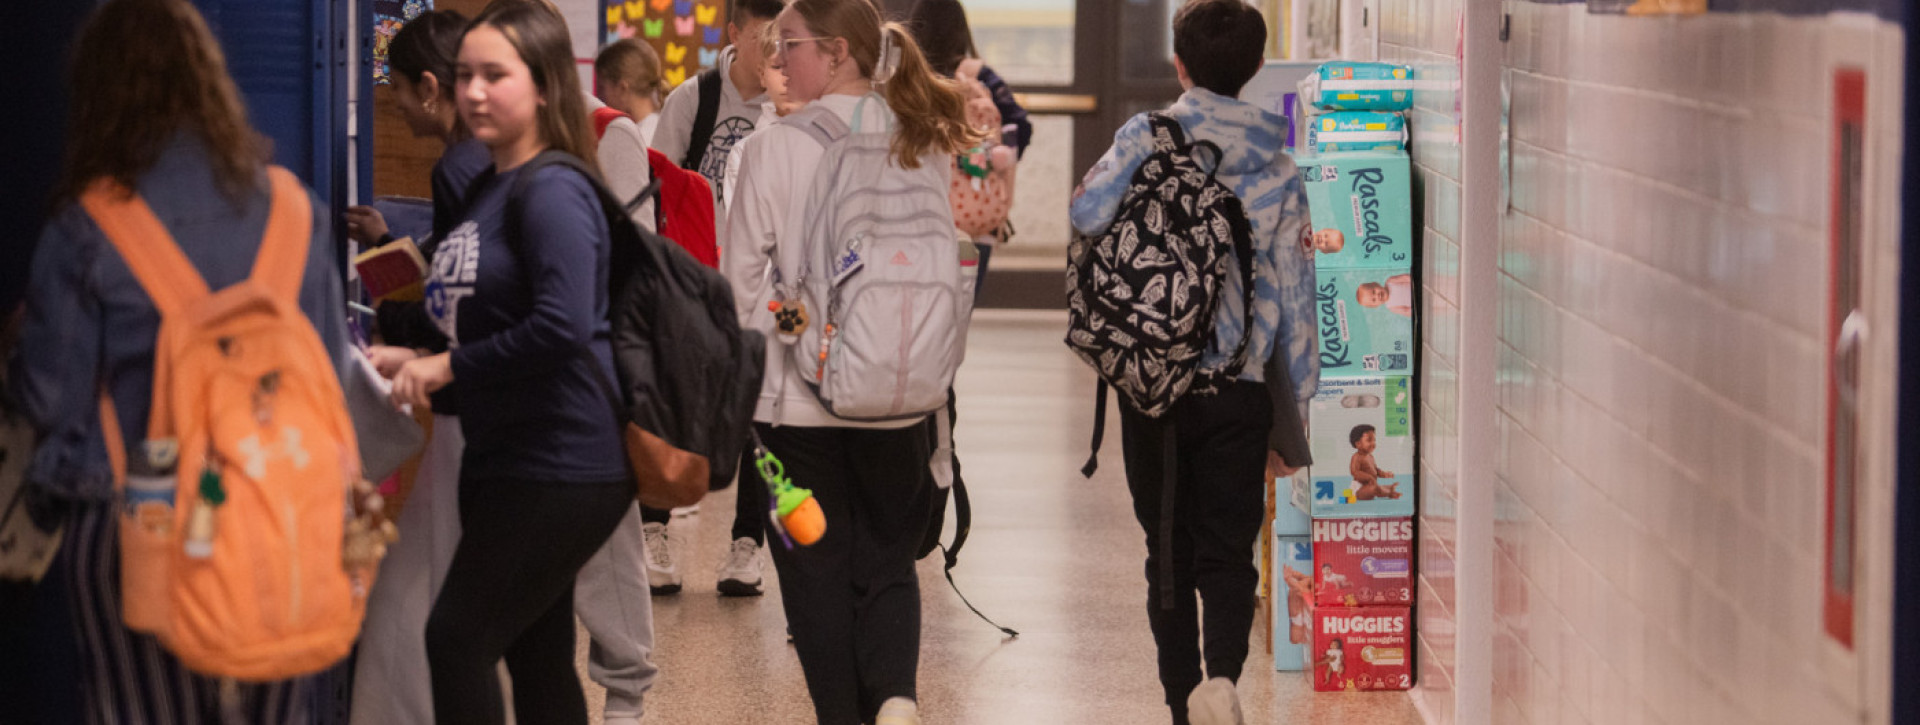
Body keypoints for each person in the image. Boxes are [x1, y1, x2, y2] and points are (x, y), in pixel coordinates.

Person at [11, 0, 345, 720]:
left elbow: (49, 400)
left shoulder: (89, 226)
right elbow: (328, 376)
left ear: (96, 93)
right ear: (208, 80)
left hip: (140, 518)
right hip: (279, 518)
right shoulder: (295, 211)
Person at [379, 3, 633, 723]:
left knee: (456, 638)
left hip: (559, 458)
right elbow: (491, 310)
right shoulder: (489, 183)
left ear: (545, 86)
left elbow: (563, 324)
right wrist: (416, 349)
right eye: (465, 76)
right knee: (535, 654)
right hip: (509, 453)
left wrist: (446, 368)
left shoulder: (552, 188)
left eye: (496, 75)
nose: (474, 92)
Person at [1067, 1, 1318, 723]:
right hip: (1239, 388)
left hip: (1151, 380)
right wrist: (1292, 417)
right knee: (1228, 551)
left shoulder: (1144, 137)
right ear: (1257, 67)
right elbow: (1297, 304)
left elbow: (1086, 213)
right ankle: (1224, 682)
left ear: (1179, 65)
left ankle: (1181, 704)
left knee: (1166, 550)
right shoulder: (1279, 170)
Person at [724, 0, 974, 721]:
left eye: (790, 43)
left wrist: (799, 324)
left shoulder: (771, 148)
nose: (778, 57)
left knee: (814, 573)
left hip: (795, 409)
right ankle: (896, 697)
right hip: (901, 397)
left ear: (837, 52)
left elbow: (741, 291)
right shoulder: (920, 138)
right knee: (888, 561)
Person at [343, 12, 487, 724]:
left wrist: (388, 327)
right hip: (494, 408)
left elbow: (454, 306)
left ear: (430, 88)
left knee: (419, 592)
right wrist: (390, 242)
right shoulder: (491, 159)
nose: (395, 106)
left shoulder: (458, 168)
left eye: (397, 88)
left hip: (468, 405)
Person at [644, 0, 788, 597]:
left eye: (785, 39)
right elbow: (654, 187)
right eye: (764, 37)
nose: (775, 52)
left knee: (760, 413)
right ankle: (654, 530)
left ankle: (747, 544)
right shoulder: (694, 99)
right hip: (692, 283)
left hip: (763, 288)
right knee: (672, 404)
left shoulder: (789, 105)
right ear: (734, 33)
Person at [1348, 424, 1401, 500]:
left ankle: (1387, 489)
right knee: (1374, 489)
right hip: (1358, 488)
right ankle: (1388, 493)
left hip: (1369, 485)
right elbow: (1354, 472)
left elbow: (1375, 470)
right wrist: (1369, 478)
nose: (1373, 443)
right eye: (1369, 440)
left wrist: (1384, 474)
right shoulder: (1357, 457)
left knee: (1377, 488)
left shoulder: (1370, 457)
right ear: (1358, 444)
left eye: (1374, 440)